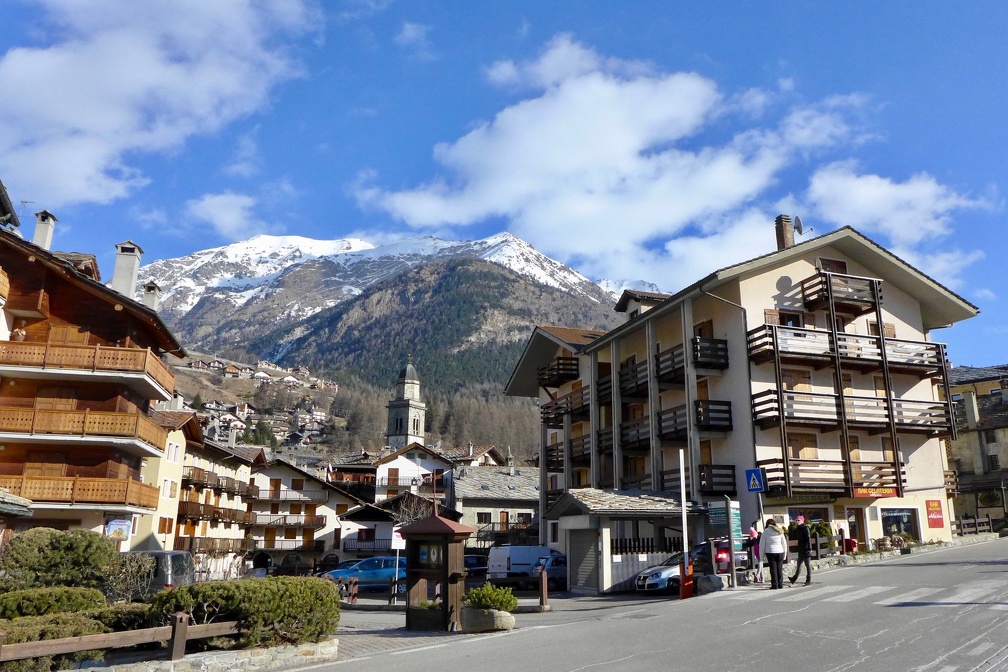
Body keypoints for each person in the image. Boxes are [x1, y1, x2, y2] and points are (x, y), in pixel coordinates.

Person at [759, 518, 788, 589]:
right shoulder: (780, 531)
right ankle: (780, 584)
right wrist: (785, 554)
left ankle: (775, 584)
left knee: (773, 569)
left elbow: (762, 546)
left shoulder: (765, 533)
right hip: (780, 551)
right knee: (779, 568)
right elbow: (784, 544)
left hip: (770, 552)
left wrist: (761, 558)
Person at [790, 515, 812, 586]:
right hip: (801, 549)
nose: (797, 521)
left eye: (798, 520)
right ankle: (794, 578)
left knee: (807, 564)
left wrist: (809, 548)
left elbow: (808, 539)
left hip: (806, 549)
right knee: (799, 564)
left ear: (802, 521)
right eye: (796, 520)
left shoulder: (805, 528)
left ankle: (808, 580)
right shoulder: (798, 529)